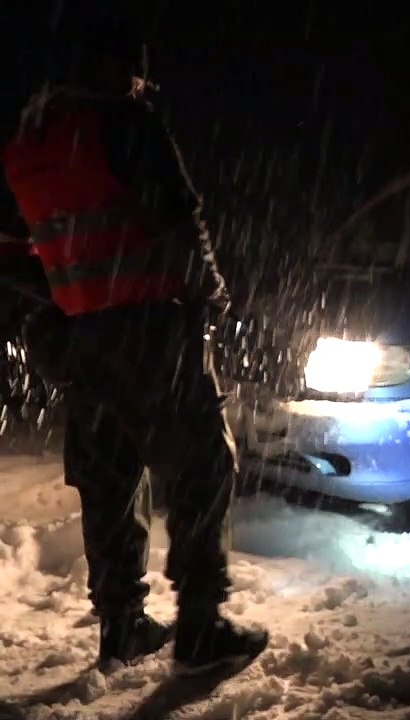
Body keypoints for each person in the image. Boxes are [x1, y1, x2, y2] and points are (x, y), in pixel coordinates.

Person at [1, 14, 268, 674]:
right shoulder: (127, 123)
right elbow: (183, 219)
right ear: (114, 66)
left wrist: (69, 293)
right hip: (151, 329)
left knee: (109, 478)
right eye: (133, 69)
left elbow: (14, 254)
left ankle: (120, 625)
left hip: (77, 339)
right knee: (204, 464)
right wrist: (210, 297)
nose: (139, 83)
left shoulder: (30, 141)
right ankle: (200, 625)